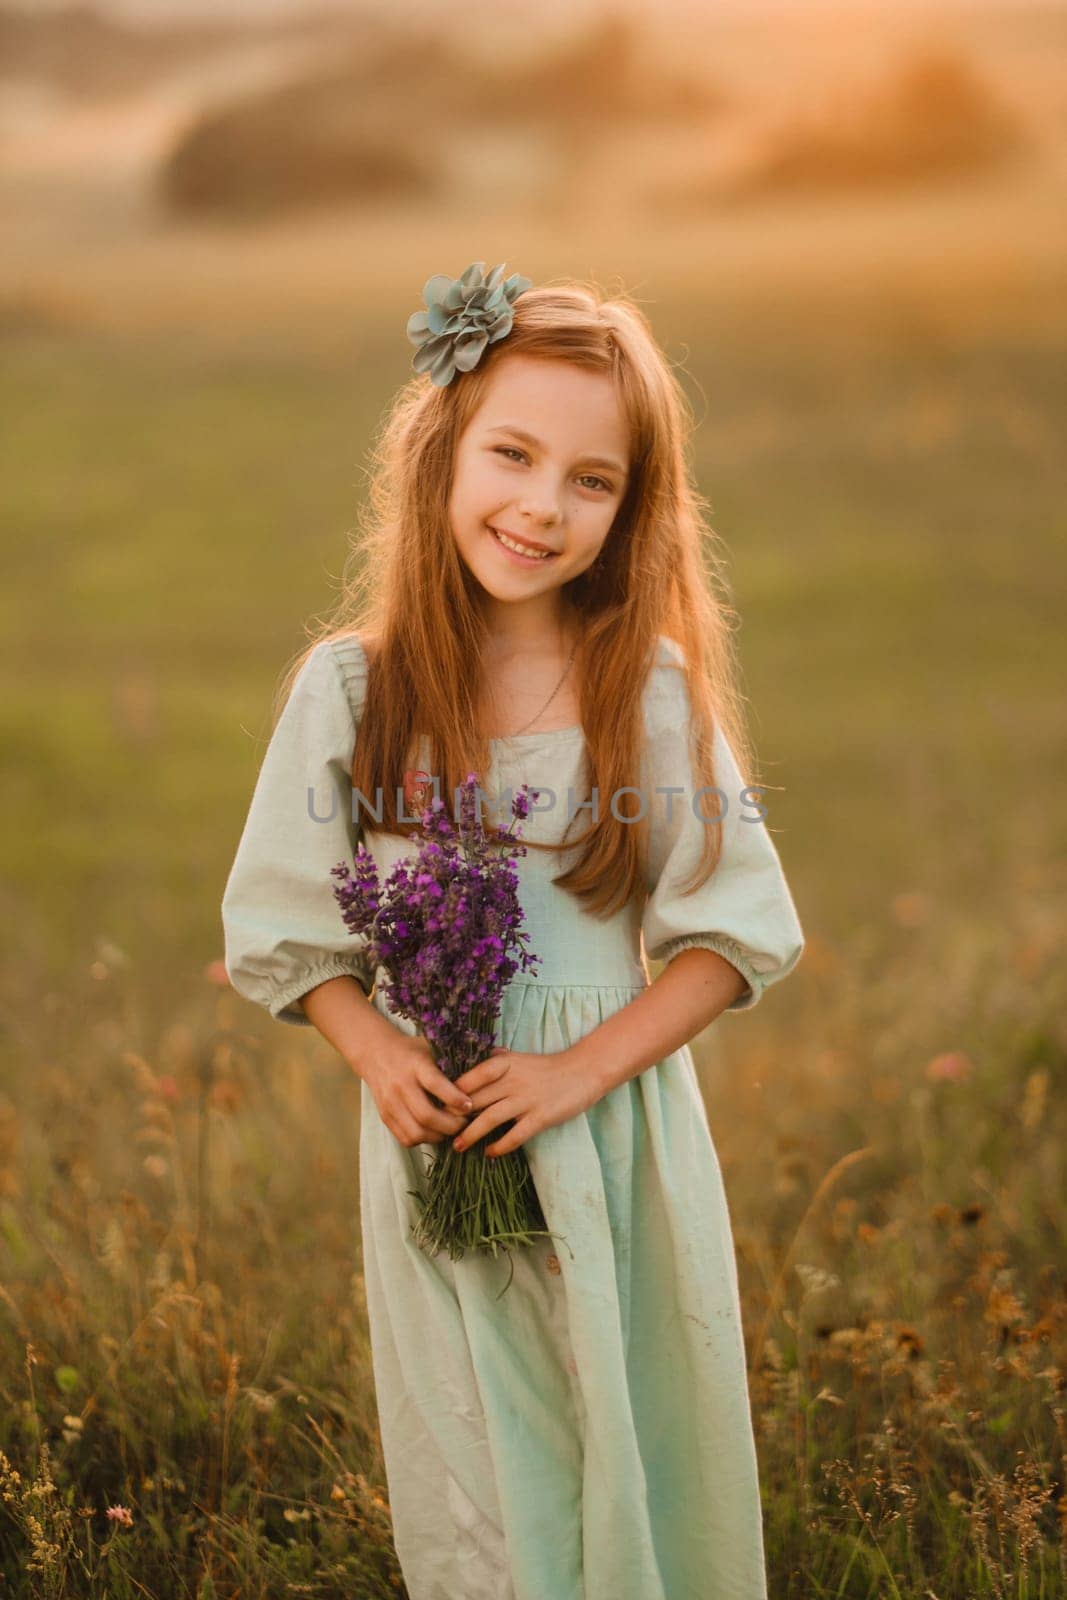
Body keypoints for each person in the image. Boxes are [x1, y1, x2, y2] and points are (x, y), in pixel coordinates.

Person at [221, 261, 805, 1600]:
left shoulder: (639, 687)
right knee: (482, 1458)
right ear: (441, 454)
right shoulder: (352, 689)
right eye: (514, 454)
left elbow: (734, 939)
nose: (542, 506)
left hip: (610, 1133)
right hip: (440, 1135)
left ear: (631, 506)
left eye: (591, 479)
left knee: (626, 1430)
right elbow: (290, 931)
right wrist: (376, 1053)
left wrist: (578, 1072)